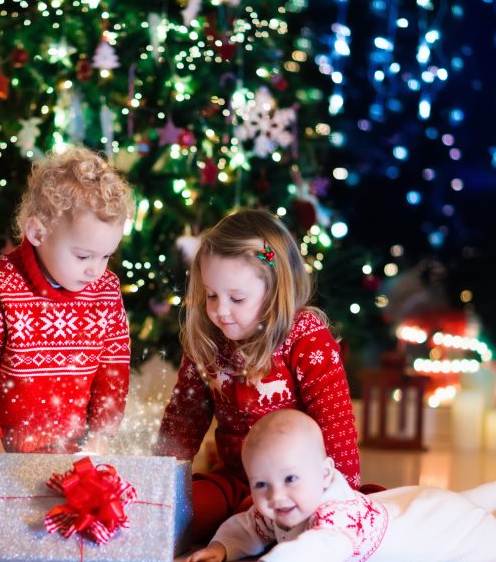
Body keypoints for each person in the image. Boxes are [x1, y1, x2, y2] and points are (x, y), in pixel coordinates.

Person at [0, 147, 135, 542]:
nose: (96, 269)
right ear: (37, 233)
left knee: (88, 520)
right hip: (0, 445)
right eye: (84, 255)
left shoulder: (105, 290)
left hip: (70, 449)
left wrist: (101, 439)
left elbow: (114, 369)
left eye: (107, 255)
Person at [181, 410, 496, 562]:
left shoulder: (335, 517)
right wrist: (223, 546)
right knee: (470, 501)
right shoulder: (280, 507)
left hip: (436, 530)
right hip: (419, 506)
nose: (276, 497)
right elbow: (249, 523)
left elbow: (319, 551)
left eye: (290, 478)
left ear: (325, 474)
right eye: (261, 484)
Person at [153, 208, 362, 544]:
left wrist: (341, 501)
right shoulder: (207, 339)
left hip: (291, 486)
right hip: (234, 481)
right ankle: (244, 528)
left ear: (274, 291)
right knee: (178, 515)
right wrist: (158, 484)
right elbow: (184, 417)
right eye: (211, 295)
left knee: (353, 512)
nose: (220, 310)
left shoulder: (305, 338)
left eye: (236, 298)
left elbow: (335, 425)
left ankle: (260, 529)